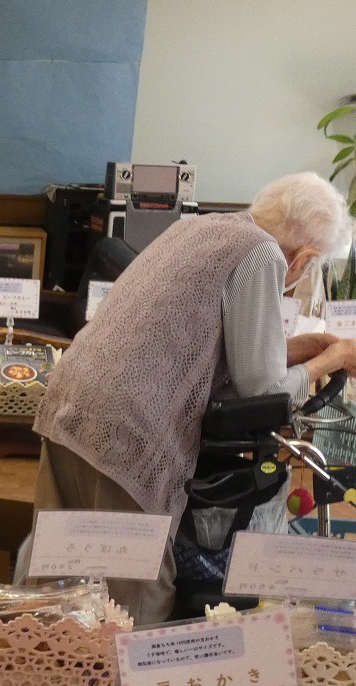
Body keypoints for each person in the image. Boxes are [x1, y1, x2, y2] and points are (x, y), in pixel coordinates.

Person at [20, 171, 356, 625]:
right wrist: (332, 360)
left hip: (73, 404)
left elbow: (205, 349)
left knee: (59, 570)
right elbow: (263, 392)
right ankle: (118, 674)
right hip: (127, 428)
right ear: (306, 258)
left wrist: (299, 349)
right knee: (130, 594)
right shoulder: (263, 253)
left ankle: (46, 663)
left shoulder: (201, 227)